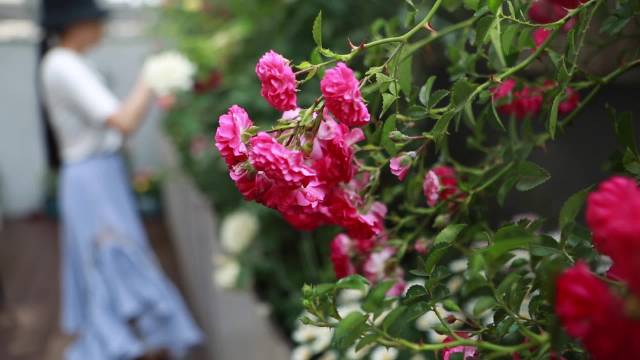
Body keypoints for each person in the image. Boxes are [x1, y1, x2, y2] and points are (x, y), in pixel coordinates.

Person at [38, 0, 203, 359]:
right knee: (112, 258)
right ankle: (125, 345)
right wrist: (152, 75)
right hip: (92, 177)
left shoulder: (71, 62)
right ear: (77, 24)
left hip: (97, 174)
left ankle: (133, 342)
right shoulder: (63, 64)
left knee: (113, 260)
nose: (102, 27)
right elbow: (123, 122)